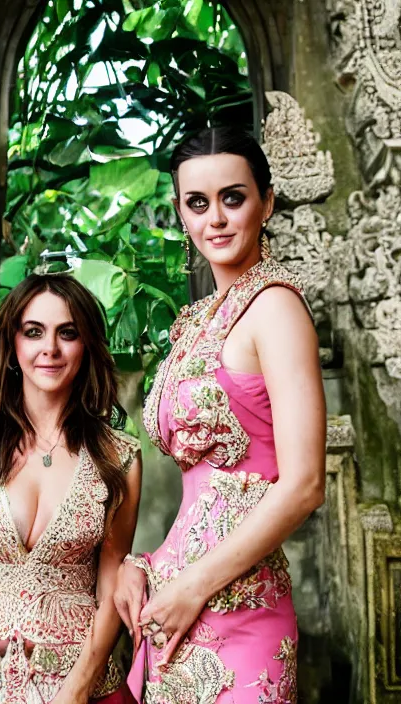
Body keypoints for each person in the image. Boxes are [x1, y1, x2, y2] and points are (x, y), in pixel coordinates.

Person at [114, 126, 326, 703]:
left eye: (234, 197)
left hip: (240, 608)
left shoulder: (276, 308)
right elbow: (200, 494)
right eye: (197, 203)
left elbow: (304, 484)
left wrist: (192, 586)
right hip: (173, 608)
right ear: (181, 214)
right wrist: (145, 564)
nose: (216, 218)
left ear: (267, 201)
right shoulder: (194, 321)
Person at [0, 273, 141, 704]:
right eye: (34, 332)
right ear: (13, 345)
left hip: (87, 689)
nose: (50, 349)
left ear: (86, 347)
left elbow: (111, 585)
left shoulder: (119, 458)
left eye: (68, 333)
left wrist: (77, 689)